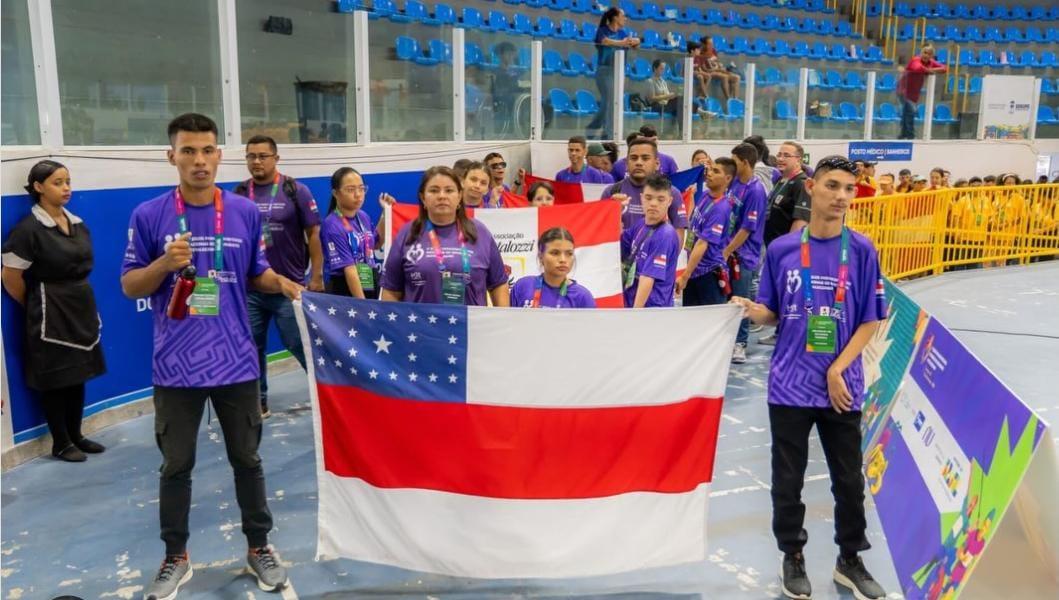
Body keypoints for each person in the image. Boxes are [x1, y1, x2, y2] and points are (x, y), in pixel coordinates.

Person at [121, 113, 299, 598]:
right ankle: (175, 557)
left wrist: (281, 283)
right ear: (172, 156)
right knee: (176, 466)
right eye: (188, 151)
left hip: (236, 361)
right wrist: (164, 263)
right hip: (175, 366)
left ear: (220, 155)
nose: (199, 161)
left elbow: (257, 273)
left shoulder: (244, 212)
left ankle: (259, 546)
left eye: (207, 151)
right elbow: (130, 284)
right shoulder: (149, 215)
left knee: (248, 460)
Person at [730, 155, 889, 600]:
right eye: (833, 186)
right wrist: (750, 310)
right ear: (812, 188)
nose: (842, 196)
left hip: (842, 387)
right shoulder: (783, 250)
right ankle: (793, 555)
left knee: (849, 481)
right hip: (789, 385)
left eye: (849, 189)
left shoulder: (862, 250)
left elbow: (870, 319)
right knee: (788, 480)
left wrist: (838, 368)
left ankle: (850, 558)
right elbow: (771, 312)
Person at [1, 160, 107, 462]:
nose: (66, 188)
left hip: (80, 306)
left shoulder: (78, 224)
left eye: (68, 182)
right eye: (57, 183)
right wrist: (36, 304)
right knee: (56, 377)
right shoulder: (28, 230)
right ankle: (60, 442)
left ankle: (76, 435)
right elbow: (10, 277)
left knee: (77, 373)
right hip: (50, 310)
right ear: (38, 187)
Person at [234, 135, 322, 418]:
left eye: (263, 156)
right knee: (252, 347)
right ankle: (258, 401)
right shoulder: (239, 193)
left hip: (290, 286)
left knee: (299, 343)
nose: (256, 161)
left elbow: (314, 234)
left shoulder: (295, 190)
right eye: (251, 156)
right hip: (251, 288)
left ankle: (327, 396)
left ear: (276, 158)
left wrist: (317, 275)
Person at [381, 166, 510, 306]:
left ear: (459, 196)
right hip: (420, 320)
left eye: (449, 190)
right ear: (423, 198)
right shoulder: (407, 234)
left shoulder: (480, 232)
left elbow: (498, 285)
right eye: (434, 190)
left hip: (471, 320)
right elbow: (391, 291)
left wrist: (502, 318)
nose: (442, 196)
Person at [724, 142, 768, 364]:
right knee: (727, 298)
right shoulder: (734, 183)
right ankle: (727, 340)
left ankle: (740, 343)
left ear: (745, 162)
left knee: (741, 299)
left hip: (744, 254)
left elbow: (746, 229)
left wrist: (727, 251)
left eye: (735, 161)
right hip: (729, 250)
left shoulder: (756, 191)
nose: (732, 165)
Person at [322, 167, 395, 298]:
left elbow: (376, 243)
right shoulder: (332, 225)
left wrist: (386, 212)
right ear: (335, 193)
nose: (358, 194)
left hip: (368, 280)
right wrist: (362, 305)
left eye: (361, 188)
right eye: (351, 190)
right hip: (344, 288)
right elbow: (349, 269)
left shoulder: (362, 216)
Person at [603, 137, 688, 241]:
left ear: (657, 164)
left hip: (656, 251)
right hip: (620, 251)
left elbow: (679, 233)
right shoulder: (611, 192)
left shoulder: (672, 193)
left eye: (645, 158)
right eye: (634, 158)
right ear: (626, 164)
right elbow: (600, 232)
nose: (639, 162)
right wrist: (612, 210)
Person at [676, 158, 736, 307]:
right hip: (693, 269)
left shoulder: (721, 209)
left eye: (716, 171)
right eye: (710, 169)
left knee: (709, 318)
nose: (709, 173)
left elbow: (702, 244)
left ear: (728, 178)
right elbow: (693, 227)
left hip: (708, 274)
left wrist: (685, 275)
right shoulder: (705, 195)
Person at [620, 173, 682, 308]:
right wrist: (615, 211)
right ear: (641, 198)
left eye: (660, 199)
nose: (653, 204)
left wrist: (635, 314)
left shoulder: (665, 235)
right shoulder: (641, 224)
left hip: (651, 311)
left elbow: (647, 278)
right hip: (633, 303)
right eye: (648, 198)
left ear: (669, 201)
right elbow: (618, 244)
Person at [586, 7, 640, 140]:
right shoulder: (603, 30)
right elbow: (604, 41)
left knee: (610, 101)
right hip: (605, 70)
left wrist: (636, 41)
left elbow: (633, 44)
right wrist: (622, 43)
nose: (625, 18)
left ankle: (594, 127)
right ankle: (608, 133)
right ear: (615, 17)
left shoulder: (622, 33)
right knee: (610, 100)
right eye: (623, 16)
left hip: (619, 71)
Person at [511, 228, 597, 308]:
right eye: (555, 253)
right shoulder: (523, 286)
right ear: (541, 256)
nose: (563, 260)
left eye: (569, 254)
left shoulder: (582, 297)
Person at [897, 44, 947, 139]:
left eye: (929, 54)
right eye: (924, 52)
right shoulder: (915, 60)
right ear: (921, 52)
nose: (926, 55)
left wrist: (931, 69)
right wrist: (929, 70)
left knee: (906, 113)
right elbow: (918, 68)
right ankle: (910, 136)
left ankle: (902, 135)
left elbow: (944, 68)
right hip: (903, 90)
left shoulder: (931, 62)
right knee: (911, 111)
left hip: (914, 93)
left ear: (931, 56)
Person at [612, 126, 679, 180]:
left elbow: (676, 182)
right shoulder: (618, 165)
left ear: (657, 163)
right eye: (649, 140)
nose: (639, 163)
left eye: (654, 139)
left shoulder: (668, 160)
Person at [697, 36, 739, 101]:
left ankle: (735, 100)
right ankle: (729, 99)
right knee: (725, 77)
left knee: (736, 77)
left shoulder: (713, 50)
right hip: (709, 72)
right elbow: (704, 69)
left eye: (712, 43)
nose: (712, 45)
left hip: (717, 70)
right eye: (709, 44)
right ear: (704, 45)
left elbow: (717, 62)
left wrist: (719, 65)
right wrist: (716, 69)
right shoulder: (700, 53)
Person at [645, 59, 683, 123]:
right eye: (661, 69)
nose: (663, 71)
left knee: (680, 102)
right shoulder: (650, 81)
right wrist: (667, 96)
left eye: (663, 69)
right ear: (655, 68)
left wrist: (672, 96)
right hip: (657, 106)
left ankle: (679, 124)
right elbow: (652, 98)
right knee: (678, 105)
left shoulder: (663, 82)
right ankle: (680, 126)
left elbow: (668, 96)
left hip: (665, 104)